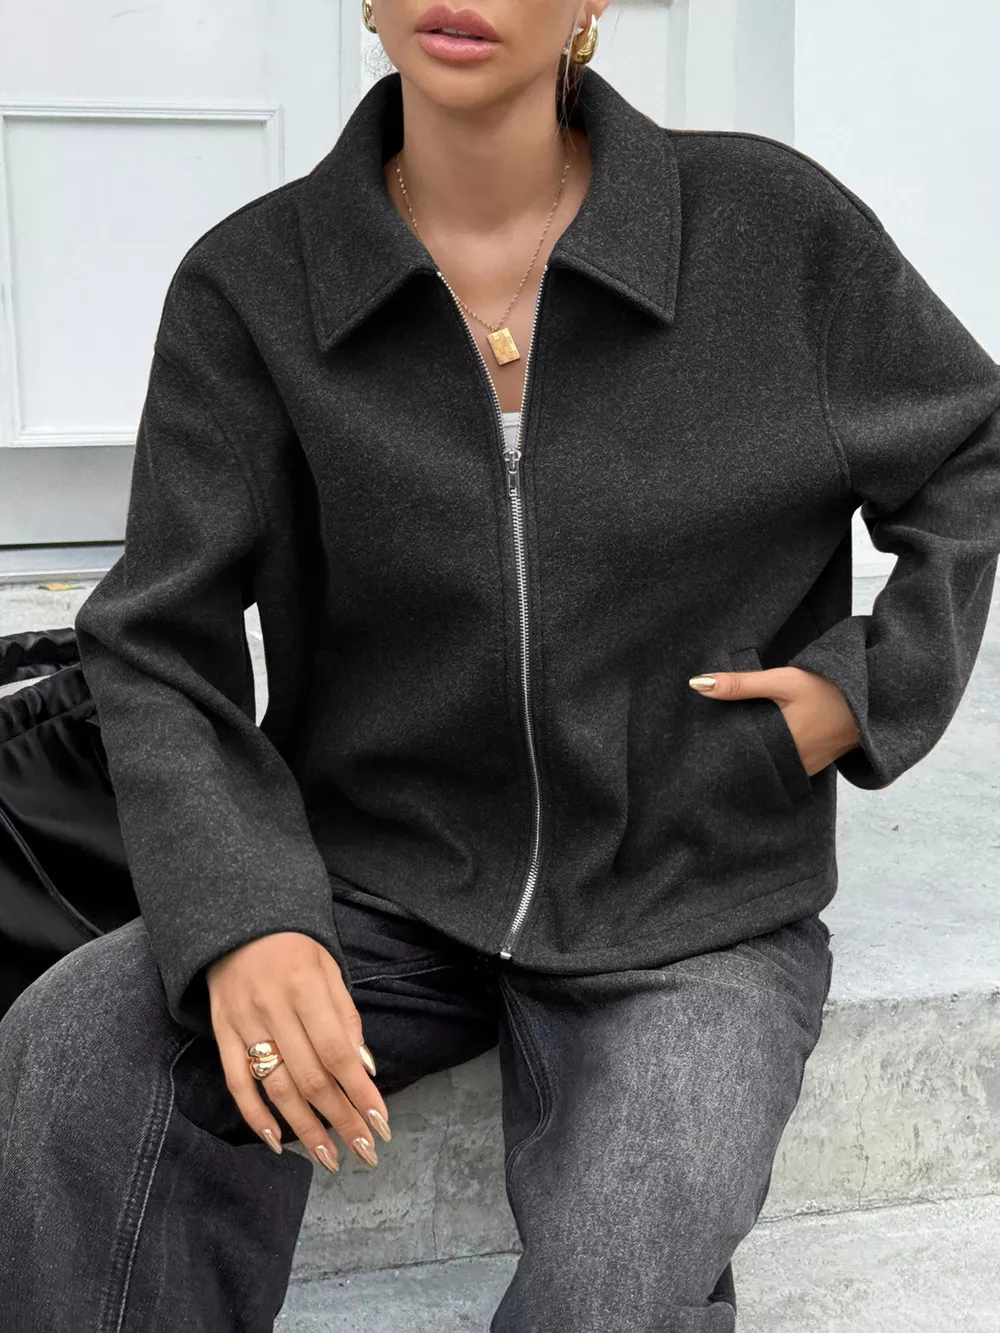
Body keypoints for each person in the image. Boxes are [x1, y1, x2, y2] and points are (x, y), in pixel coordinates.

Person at [2, 1, 999, 1329]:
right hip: (377, 876)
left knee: (618, 1279)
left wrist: (864, 689)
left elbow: (973, 448)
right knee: (80, 1045)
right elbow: (154, 640)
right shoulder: (254, 285)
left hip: (692, 896)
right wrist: (241, 913)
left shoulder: (771, 229)